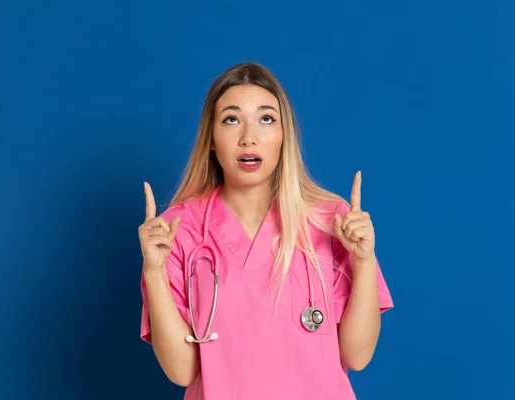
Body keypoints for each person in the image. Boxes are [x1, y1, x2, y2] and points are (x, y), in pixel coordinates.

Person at [138, 62, 393, 399]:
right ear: (211, 139)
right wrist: (154, 271)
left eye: (266, 119)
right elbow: (181, 370)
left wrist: (363, 262)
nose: (249, 137)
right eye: (231, 120)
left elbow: (357, 356)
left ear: (284, 134)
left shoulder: (330, 220)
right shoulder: (177, 230)